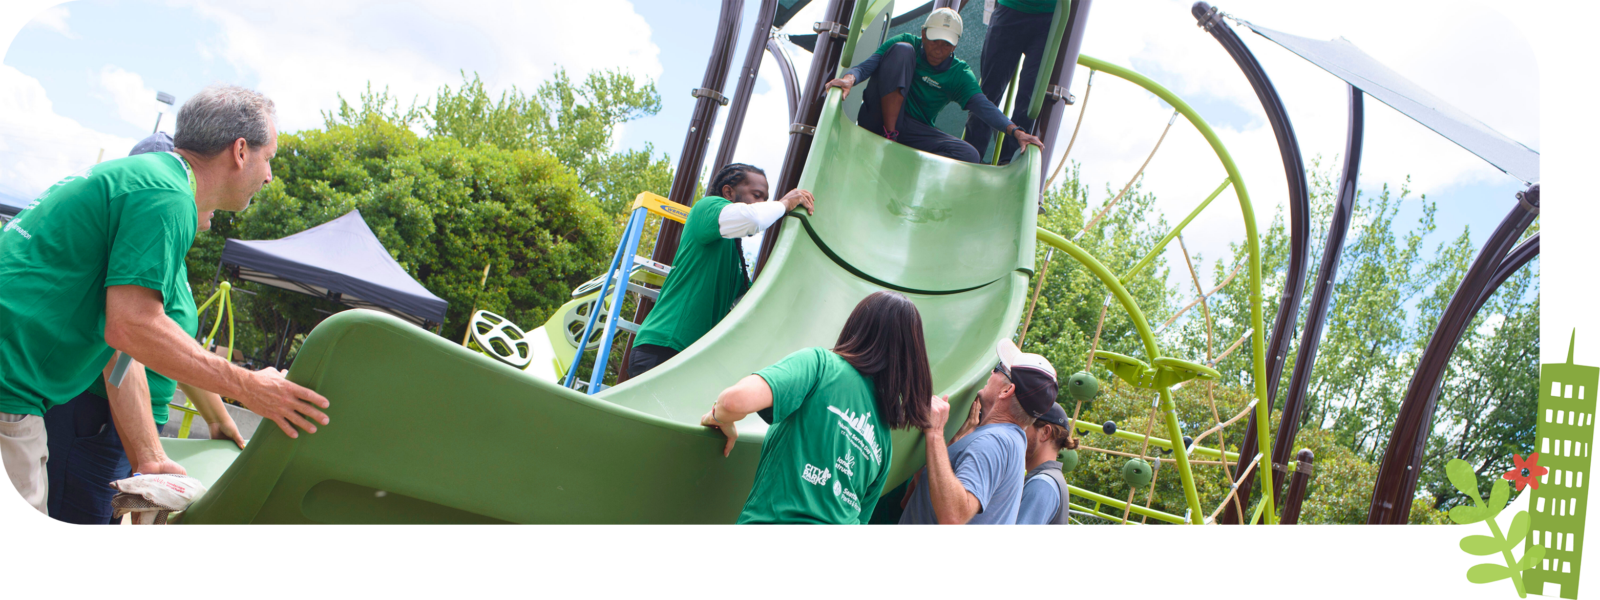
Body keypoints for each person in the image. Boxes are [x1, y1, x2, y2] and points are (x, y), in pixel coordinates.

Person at [0, 84, 330, 554]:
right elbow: (133, 327)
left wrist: (148, 455)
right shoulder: (167, 196)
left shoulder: (145, 179)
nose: (270, 175)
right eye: (269, 157)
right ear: (240, 151)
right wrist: (250, 387)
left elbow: (122, 347)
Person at [42, 132, 247, 555]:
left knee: (112, 542)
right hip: (97, 420)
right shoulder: (137, 241)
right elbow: (119, 352)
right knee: (78, 542)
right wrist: (148, 452)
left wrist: (218, 418)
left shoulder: (169, 256)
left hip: (129, 428)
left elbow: (178, 349)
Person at [702, 291, 933, 555]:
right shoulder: (883, 441)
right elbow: (859, 528)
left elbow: (733, 402)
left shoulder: (820, 366)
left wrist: (720, 418)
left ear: (856, 326)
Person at [627, 164, 816, 377]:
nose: (762, 204)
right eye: (757, 196)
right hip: (664, 346)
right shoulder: (706, 208)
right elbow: (753, 218)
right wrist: (783, 204)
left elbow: (752, 303)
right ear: (728, 192)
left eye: (766, 198)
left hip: (692, 358)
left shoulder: (734, 255)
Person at [897, 338, 1060, 555]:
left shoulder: (994, 442)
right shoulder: (1010, 439)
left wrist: (935, 433)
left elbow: (954, 516)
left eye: (998, 369)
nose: (990, 374)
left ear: (1006, 391)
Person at [824, 7, 1043, 163]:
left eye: (946, 43)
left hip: (910, 130)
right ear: (923, 33)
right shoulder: (909, 42)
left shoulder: (958, 73)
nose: (939, 48)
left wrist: (1016, 132)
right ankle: (888, 137)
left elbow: (983, 106)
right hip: (878, 118)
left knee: (969, 155)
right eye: (934, 39)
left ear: (955, 43)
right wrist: (849, 79)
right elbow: (867, 66)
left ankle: (911, 168)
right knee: (901, 51)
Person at [964, 0, 1058, 165]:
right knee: (989, 90)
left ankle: (1009, 162)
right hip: (1011, 8)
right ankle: (971, 155)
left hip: (1049, 17)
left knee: (1029, 97)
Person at [1016, 403, 1075, 555]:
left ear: (1045, 432)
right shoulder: (1050, 479)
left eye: (1023, 426)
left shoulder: (1042, 484)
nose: (1017, 433)